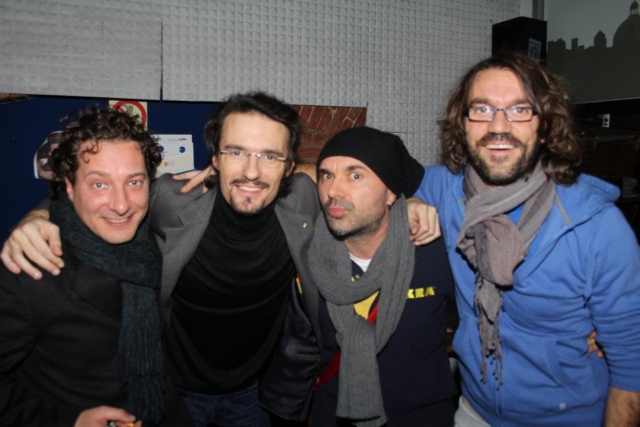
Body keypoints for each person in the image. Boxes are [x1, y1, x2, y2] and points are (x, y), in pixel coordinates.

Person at [1, 92, 439, 426]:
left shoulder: (304, 203)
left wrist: (406, 205)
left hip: (254, 395)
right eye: (237, 152)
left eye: (269, 156)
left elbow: (353, 189)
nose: (251, 171)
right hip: (173, 392)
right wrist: (39, 216)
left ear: (288, 168)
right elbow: (97, 198)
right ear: (215, 158)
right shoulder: (172, 201)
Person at [413, 52, 640, 426]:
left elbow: (632, 369)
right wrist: (410, 200)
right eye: (482, 109)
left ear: (545, 127)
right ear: (463, 124)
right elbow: (367, 178)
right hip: (473, 411)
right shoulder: (444, 190)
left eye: (519, 110)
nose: (498, 126)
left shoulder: (596, 227)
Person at [0, 108, 177, 426]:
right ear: (69, 186)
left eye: (134, 182)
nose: (121, 204)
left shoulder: (156, 239)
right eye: (99, 185)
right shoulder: (30, 267)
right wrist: (69, 422)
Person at [305, 127, 456, 426]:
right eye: (326, 175)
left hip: (422, 416)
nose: (333, 191)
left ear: (391, 193)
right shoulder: (307, 254)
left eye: (355, 175)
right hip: (332, 414)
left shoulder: (436, 249)